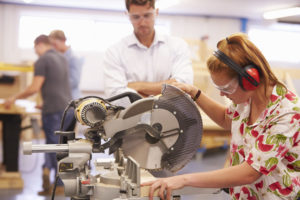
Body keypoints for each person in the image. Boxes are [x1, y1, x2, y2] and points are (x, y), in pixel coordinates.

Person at [142, 33, 300, 200]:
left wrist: (183, 179)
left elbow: (250, 173)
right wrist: (193, 92)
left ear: (250, 79)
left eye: (226, 88)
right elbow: (227, 119)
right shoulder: (247, 99)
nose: (221, 93)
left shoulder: (287, 113)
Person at [4, 35, 73, 195]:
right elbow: (60, 85)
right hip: (68, 108)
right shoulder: (62, 58)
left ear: (39, 44)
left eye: (35, 48)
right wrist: (45, 102)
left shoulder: (42, 60)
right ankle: (55, 178)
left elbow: (34, 88)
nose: (35, 52)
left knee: (51, 146)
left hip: (54, 110)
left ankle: (56, 183)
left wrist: (13, 97)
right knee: (62, 146)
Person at [103, 0, 193, 99]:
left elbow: (184, 85)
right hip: (132, 114)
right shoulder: (114, 52)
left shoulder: (177, 45)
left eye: (147, 15)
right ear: (127, 15)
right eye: (136, 17)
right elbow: (115, 93)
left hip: (170, 113)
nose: (142, 22)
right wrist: (166, 87)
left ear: (156, 12)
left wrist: (136, 86)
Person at [49, 30, 83, 131]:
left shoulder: (73, 57)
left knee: (66, 136)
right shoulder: (60, 56)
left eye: (54, 44)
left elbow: (74, 81)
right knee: (59, 136)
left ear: (63, 40)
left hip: (70, 102)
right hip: (61, 102)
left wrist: (55, 85)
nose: (53, 47)